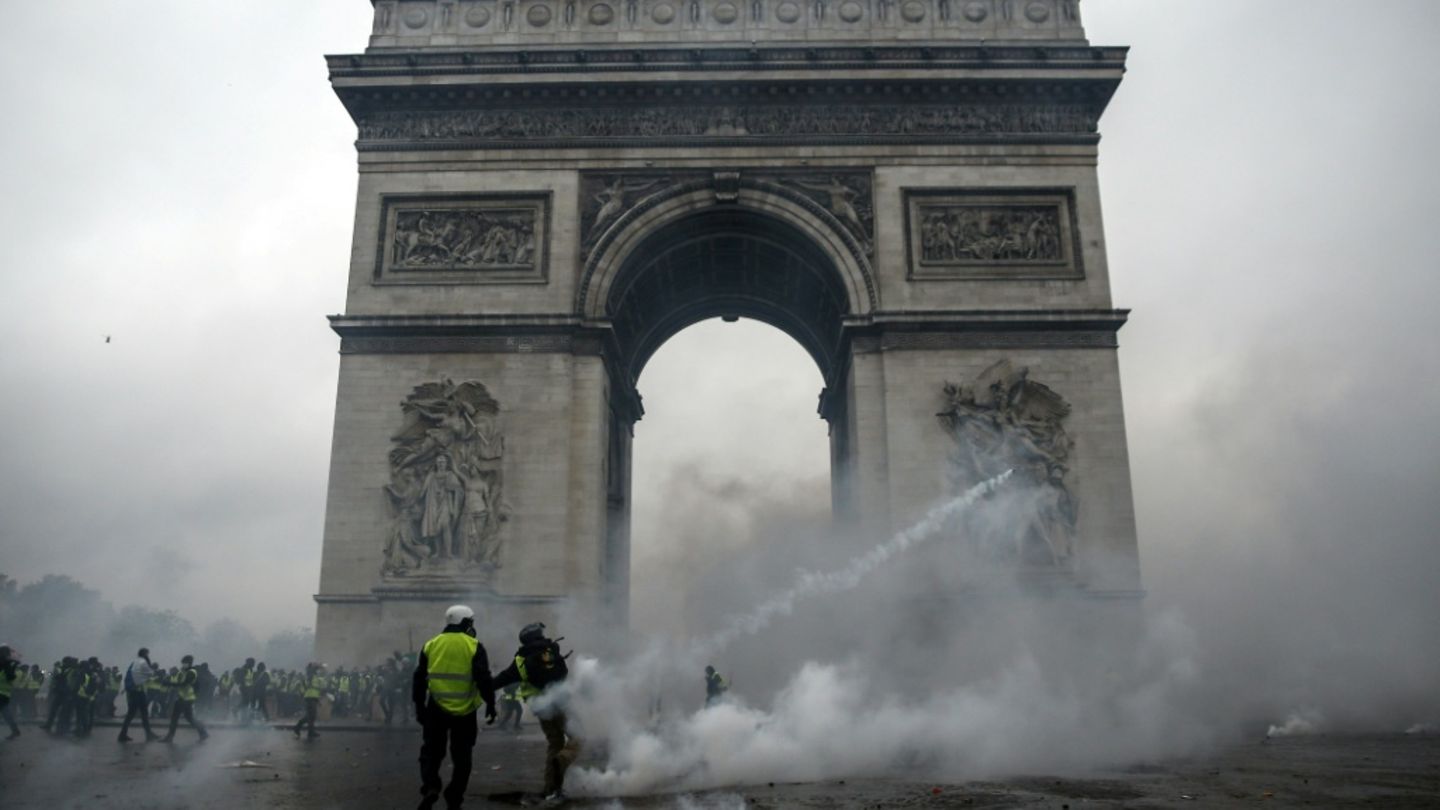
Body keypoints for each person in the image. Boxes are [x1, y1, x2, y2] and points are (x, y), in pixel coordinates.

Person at [412, 605, 497, 810]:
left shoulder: (431, 644)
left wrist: (419, 707)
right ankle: (454, 796)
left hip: (436, 708)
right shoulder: (474, 646)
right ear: (466, 622)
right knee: (462, 758)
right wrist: (491, 704)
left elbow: (419, 679)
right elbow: (483, 679)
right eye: (471, 622)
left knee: (430, 753)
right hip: (466, 711)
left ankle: (431, 786)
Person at [492, 622, 577, 806]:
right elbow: (563, 674)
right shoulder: (553, 651)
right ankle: (562, 761)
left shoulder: (521, 659)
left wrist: (483, 685)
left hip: (542, 708)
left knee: (555, 743)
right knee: (578, 737)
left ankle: (551, 789)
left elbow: (503, 678)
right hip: (561, 704)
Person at [161, 655, 209, 742]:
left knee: (175, 717)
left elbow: (183, 684)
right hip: (184, 698)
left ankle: (170, 737)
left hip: (187, 698)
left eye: (184, 663)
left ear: (189, 663)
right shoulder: (183, 671)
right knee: (189, 718)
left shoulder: (191, 672)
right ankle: (203, 732)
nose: (183, 664)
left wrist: (168, 683)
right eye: (183, 663)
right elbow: (178, 681)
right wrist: (169, 679)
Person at [118, 648, 161, 742]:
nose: (148, 656)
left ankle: (124, 734)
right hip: (137, 692)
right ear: (144, 654)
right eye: (147, 654)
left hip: (136, 691)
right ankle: (148, 734)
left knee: (135, 714)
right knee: (138, 714)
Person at [293, 662, 328, 739]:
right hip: (310, 697)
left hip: (313, 697)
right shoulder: (310, 675)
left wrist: (318, 699)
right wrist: (320, 665)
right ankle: (304, 730)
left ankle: (305, 730)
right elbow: (313, 668)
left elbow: (317, 688)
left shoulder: (313, 676)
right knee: (311, 716)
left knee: (310, 716)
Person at [1, 644, 21, 740]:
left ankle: (15, 730)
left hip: (2, 693)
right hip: (4, 693)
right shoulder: (7, 664)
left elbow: (10, 677)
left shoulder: (7, 664)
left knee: (6, 713)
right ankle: (15, 730)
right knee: (6, 713)